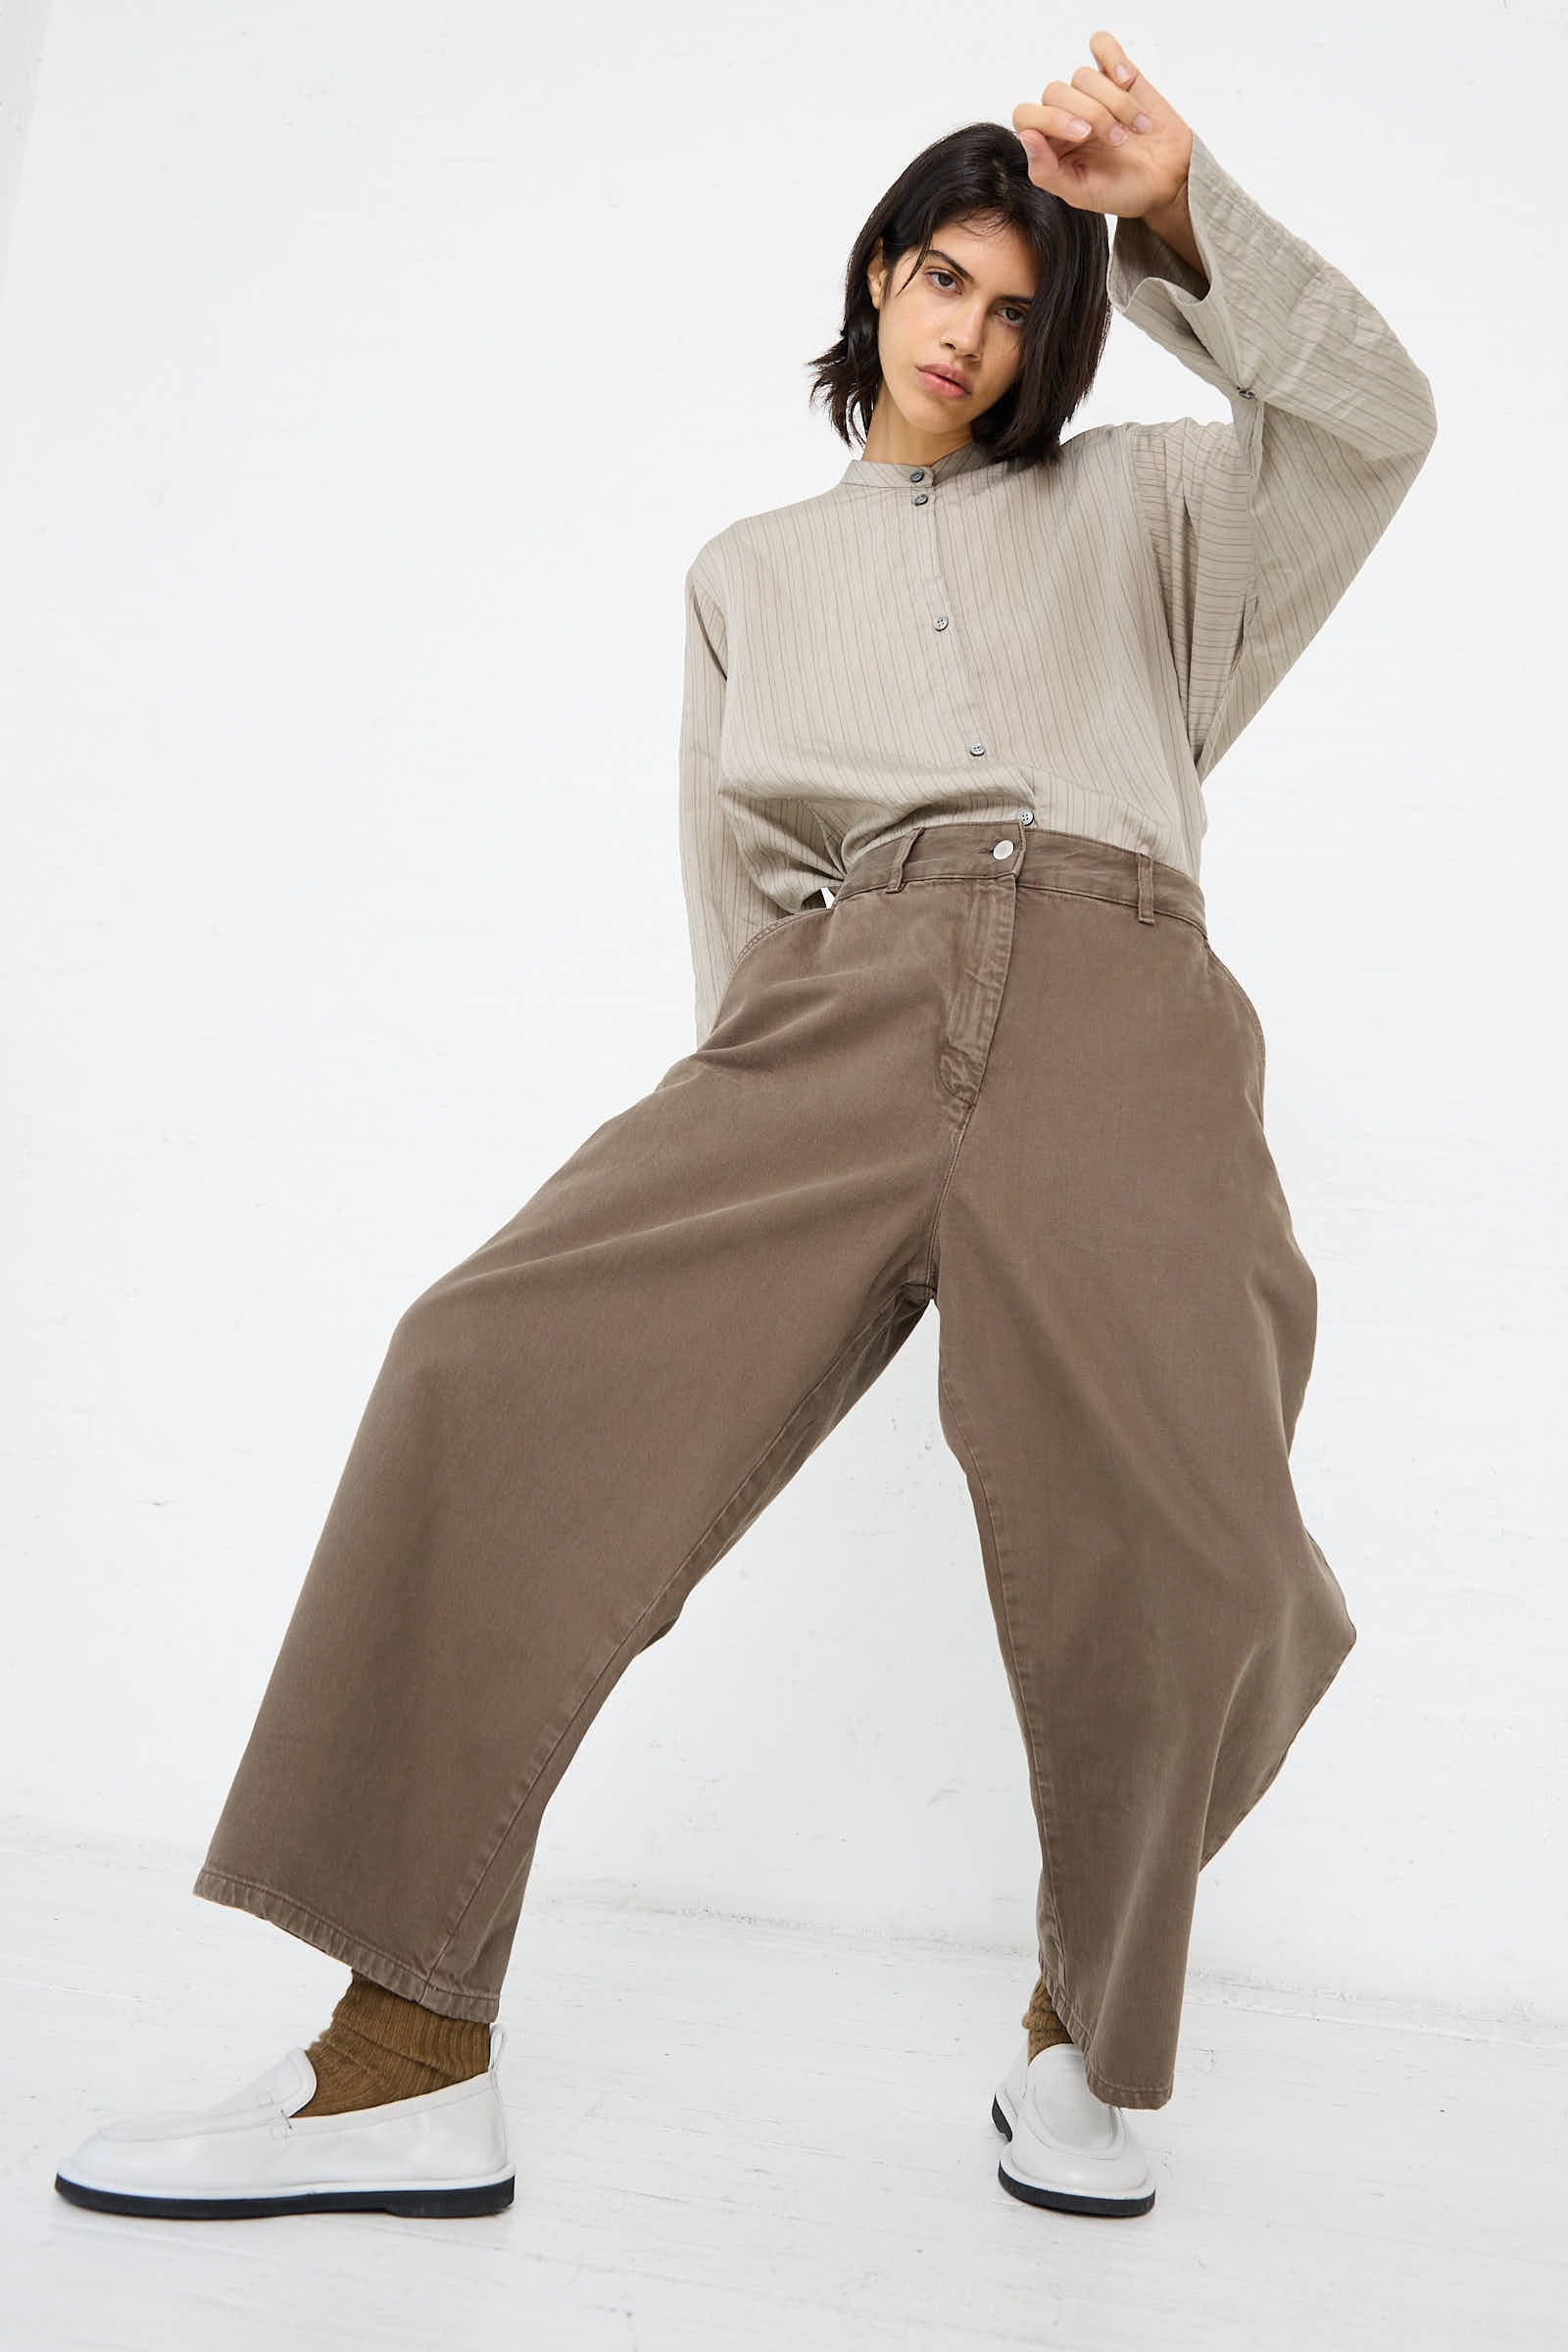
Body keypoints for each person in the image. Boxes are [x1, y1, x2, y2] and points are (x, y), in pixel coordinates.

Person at [54, 28, 1436, 2226]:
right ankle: (398, 2055)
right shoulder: (739, 571)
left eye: (1014, 303)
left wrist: (1179, 211)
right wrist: (766, 1194)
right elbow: (734, 908)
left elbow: (1374, 416)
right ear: (875, 274)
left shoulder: (1163, 513)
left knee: (1183, 1545)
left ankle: (1081, 2029)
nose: (970, 335)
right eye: (941, 282)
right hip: (831, 1011)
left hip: (1118, 996)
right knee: (480, 1365)